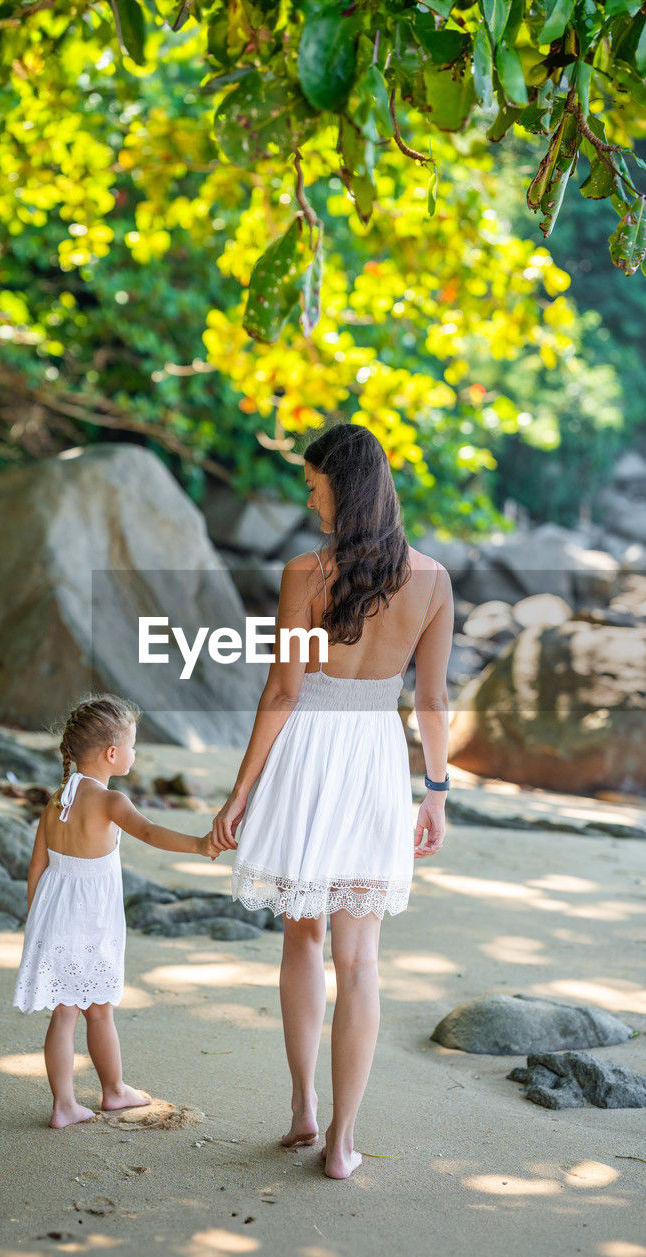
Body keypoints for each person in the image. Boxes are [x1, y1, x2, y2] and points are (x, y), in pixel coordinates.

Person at [211, 421, 453, 1180]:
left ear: (339, 485)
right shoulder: (432, 581)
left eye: (312, 481)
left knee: (302, 940)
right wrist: (436, 792)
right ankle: (343, 1141)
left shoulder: (304, 574)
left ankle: (302, 1109)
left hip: (309, 754)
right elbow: (432, 699)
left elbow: (283, 690)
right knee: (361, 959)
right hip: (376, 760)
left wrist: (241, 790)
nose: (307, 494)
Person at [13, 693, 221, 1129]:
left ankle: (64, 1104)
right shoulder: (111, 802)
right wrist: (199, 844)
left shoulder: (57, 799)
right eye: (132, 744)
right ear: (112, 754)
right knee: (100, 1009)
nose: (134, 752)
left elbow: (37, 866)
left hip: (53, 918)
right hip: (91, 923)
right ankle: (113, 1090)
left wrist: (36, 924)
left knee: (64, 1013)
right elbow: (149, 831)